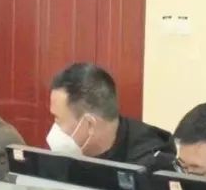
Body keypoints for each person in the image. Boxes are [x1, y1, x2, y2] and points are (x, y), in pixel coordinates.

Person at [47, 63, 175, 170]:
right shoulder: (71, 154)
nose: (55, 128)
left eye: (58, 119)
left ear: (89, 125)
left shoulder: (147, 166)